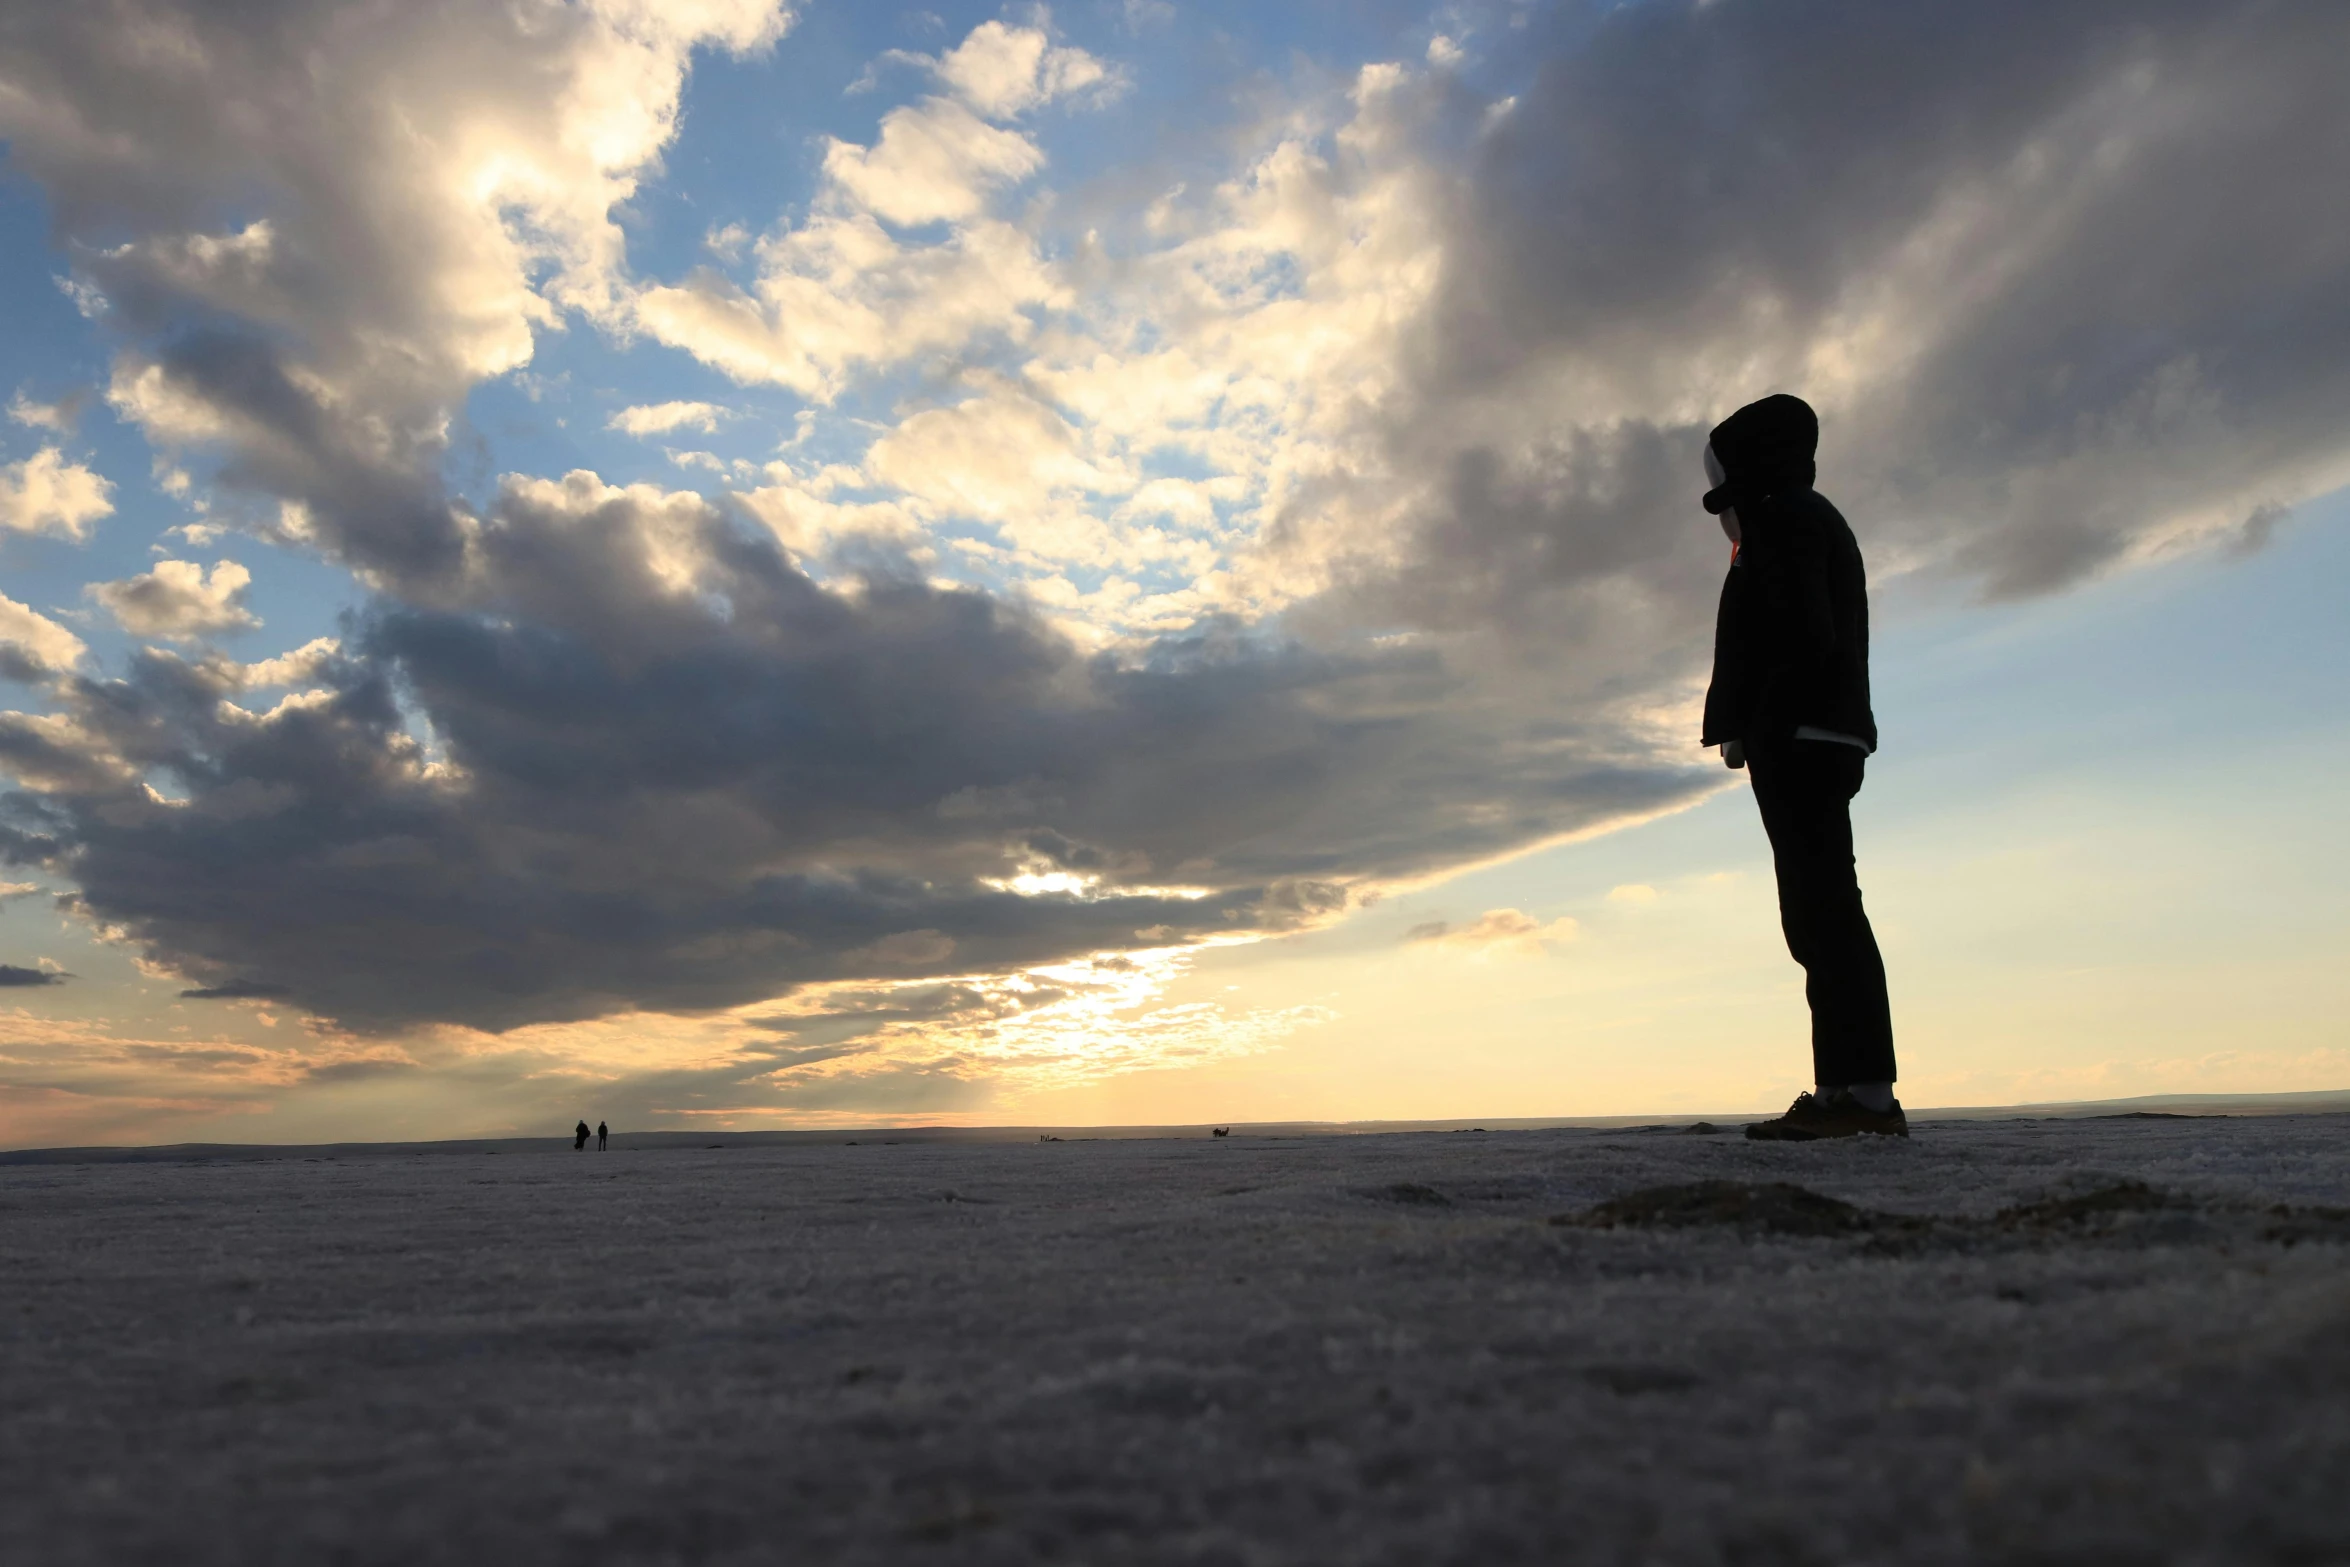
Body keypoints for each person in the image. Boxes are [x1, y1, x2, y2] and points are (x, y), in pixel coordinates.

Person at [1697, 394, 1905, 1140]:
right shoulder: (1802, 518)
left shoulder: (1786, 522)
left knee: (1822, 911)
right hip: (1818, 733)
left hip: (1804, 737)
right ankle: (1849, 1089)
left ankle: (1863, 1096)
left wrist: (1763, 720)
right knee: (1820, 909)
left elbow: (1797, 638)